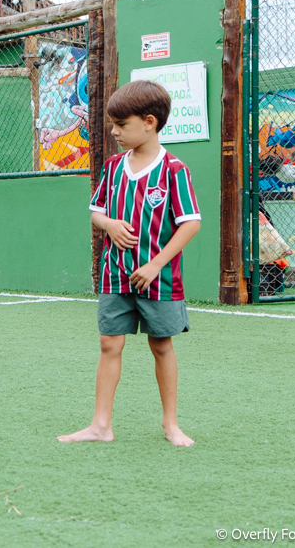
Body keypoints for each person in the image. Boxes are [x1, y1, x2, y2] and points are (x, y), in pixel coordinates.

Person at [58, 80, 201, 448]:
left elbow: (191, 222)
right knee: (109, 344)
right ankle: (100, 425)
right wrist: (109, 224)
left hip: (159, 280)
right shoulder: (113, 166)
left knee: (161, 345)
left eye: (121, 125)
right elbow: (96, 212)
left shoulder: (174, 170)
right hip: (114, 276)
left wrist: (155, 264)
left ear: (149, 122)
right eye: (113, 124)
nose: (114, 132)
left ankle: (171, 423)